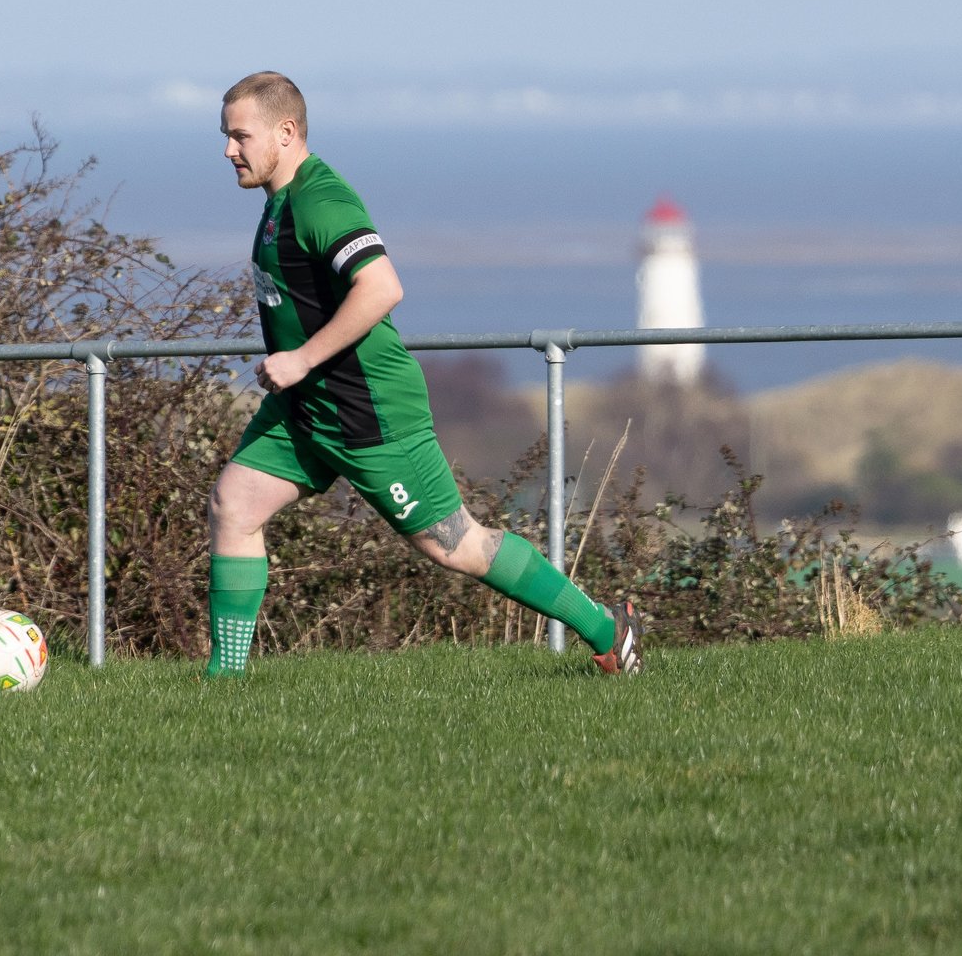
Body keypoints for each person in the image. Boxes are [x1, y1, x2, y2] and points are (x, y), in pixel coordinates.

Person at [204, 70, 642, 677]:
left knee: (458, 546)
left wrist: (301, 358)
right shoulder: (279, 200)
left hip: (369, 411)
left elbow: (382, 287)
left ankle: (605, 628)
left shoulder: (320, 199)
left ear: (286, 132)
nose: (228, 149)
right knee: (235, 503)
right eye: (226, 136)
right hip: (307, 409)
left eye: (239, 136)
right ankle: (223, 680)